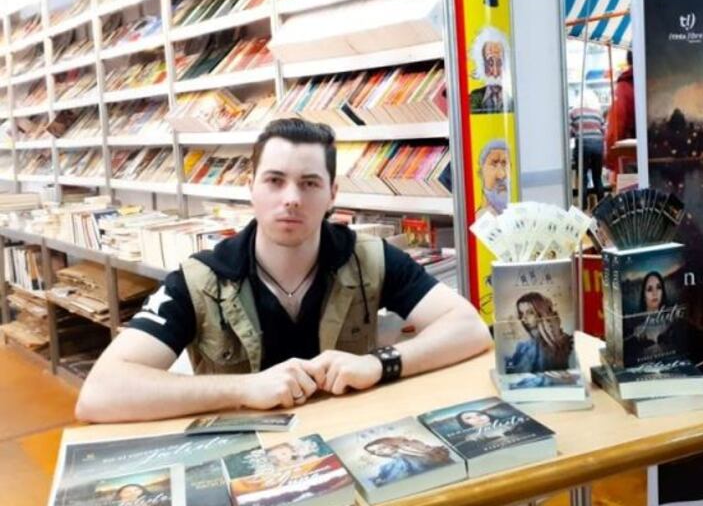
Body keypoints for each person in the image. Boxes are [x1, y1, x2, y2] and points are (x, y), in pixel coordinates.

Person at [75, 118, 492, 423]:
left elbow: (468, 327)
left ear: (332, 194)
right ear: (250, 188)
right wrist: (243, 389)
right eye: (275, 180)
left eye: (309, 183)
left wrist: (382, 363)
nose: (291, 198)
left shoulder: (370, 257)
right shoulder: (199, 279)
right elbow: (100, 392)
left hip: (350, 446)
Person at [504, 292, 573, 374]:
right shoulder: (524, 347)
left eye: (530, 312)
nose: (524, 318)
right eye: (521, 314)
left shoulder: (567, 343)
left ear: (541, 312)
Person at [365, 437, 451, 486]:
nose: (378, 453)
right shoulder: (386, 467)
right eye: (373, 452)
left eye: (381, 448)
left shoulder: (415, 448)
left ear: (390, 444)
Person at [569, 89, 605, 205]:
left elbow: (569, 131)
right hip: (598, 145)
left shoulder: (574, 112)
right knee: (597, 178)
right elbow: (604, 130)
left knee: (582, 177)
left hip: (583, 145)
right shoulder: (598, 113)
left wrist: (577, 132)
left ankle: (583, 206)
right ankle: (603, 205)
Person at [468, 26, 513, 114]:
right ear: (482, 63)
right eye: (490, 63)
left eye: (499, 63)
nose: (495, 73)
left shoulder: (512, 100)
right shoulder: (473, 98)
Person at [604, 50, 635, 171]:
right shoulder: (660, 81)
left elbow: (616, 128)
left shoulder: (624, 88)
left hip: (631, 160)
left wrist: (611, 159)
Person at [474, 139, 510, 217]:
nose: (502, 175)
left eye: (505, 163)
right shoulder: (480, 219)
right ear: (480, 172)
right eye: (494, 164)